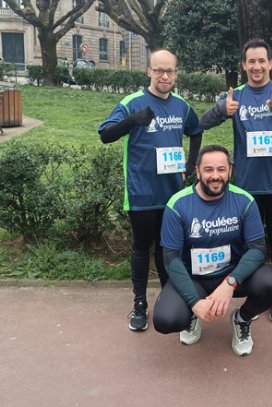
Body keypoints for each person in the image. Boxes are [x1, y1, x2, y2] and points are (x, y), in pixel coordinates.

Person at [200, 38, 272, 322]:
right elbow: (200, 124)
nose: (257, 66)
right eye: (251, 61)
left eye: (262, 61)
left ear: (270, 64)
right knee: (248, 243)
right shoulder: (235, 95)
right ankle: (254, 292)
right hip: (245, 188)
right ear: (244, 65)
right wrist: (220, 110)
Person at [98, 49, 203, 332]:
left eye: (170, 71)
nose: (165, 76)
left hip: (173, 194)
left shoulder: (181, 106)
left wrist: (192, 164)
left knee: (168, 250)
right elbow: (105, 134)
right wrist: (133, 120)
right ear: (149, 72)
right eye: (159, 71)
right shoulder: (133, 102)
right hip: (142, 194)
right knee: (142, 249)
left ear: (176, 73)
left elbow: (196, 130)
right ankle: (140, 304)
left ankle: (171, 300)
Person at [152, 145, 272, 356]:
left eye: (221, 170)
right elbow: (171, 259)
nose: (215, 176)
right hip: (194, 279)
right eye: (208, 170)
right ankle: (192, 315)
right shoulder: (177, 204)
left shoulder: (244, 200)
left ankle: (242, 318)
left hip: (232, 276)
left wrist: (230, 283)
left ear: (230, 171)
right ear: (197, 171)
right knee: (166, 319)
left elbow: (257, 249)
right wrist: (194, 302)